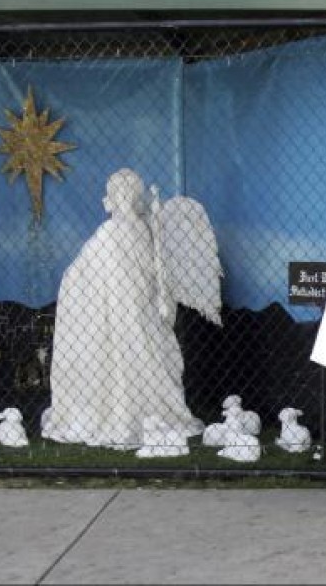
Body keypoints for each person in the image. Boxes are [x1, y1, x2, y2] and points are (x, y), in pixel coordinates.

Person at [41, 168, 204, 449]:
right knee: (147, 354)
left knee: (132, 353)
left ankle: (126, 413)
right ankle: (147, 412)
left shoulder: (118, 231)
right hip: (137, 313)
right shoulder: (139, 230)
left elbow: (79, 273)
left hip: (125, 311)